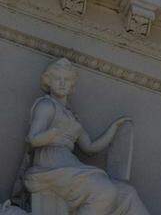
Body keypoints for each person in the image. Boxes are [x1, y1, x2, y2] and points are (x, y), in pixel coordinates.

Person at [15, 58, 151, 214]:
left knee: (128, 194)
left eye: (66, 80)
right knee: (105, 190)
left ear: (72, 84)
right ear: (48, 82)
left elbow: (90, 148)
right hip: (51, 167)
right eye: (57, 79)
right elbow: (33, 139)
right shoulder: (47, 106)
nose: (62, 83)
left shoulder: (71, 116)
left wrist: (113, 129)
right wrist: (57, 131)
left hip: (71, 166)